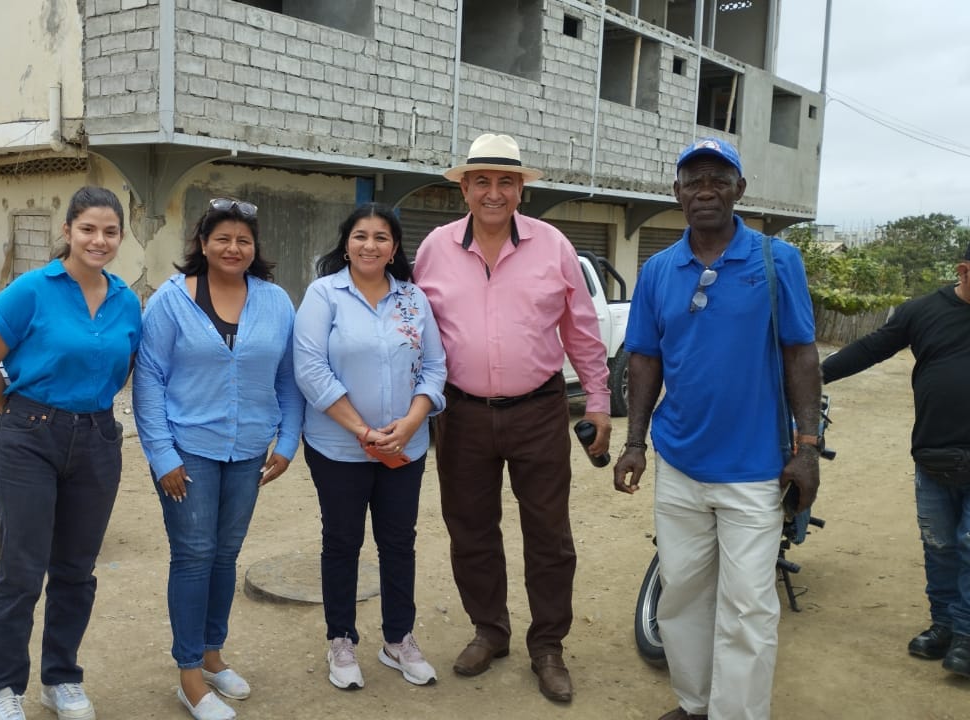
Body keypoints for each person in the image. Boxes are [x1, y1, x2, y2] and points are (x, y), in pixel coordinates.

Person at [611, 138, 821, 720]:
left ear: (739, 190)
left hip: (754, 469)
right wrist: (635, 443)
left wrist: (807, 447)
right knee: (682, 593)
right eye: (694, 181)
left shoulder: (777, 261)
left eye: (718, 180)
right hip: (680, 464)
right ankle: (695, 702)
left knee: (748, 604)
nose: (705, 191)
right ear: (677, 192)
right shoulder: (659, 270)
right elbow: (645, 358)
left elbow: (801, 354)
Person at [411, 133, 612, 703]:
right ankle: (490, 631)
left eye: (505, 181)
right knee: (470, 528)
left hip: (539, 411)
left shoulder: (554, 246)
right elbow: (413, 330)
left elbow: (581, 330)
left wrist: (598, 400)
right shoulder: (435, 249)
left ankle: (547, 646)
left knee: (549, 533)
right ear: (464, 189)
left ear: (522, 189)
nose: (493, 192)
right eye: (482, 181)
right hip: (462, 414)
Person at [0, 186, 142, 720]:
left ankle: (61, 678)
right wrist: (18, 414)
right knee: (21, 571)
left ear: (121, 238)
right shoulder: (31, 290)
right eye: (88, 229)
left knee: (76, 571)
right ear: (68, 231)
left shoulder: (126, 301)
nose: (99, 240)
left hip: (97, 440)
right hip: (29, 437)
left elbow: (124, 368)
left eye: (110, 231)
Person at [132, 197, 304, 720]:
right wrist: (162, 454)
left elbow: (289, 376)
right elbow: (148, 378)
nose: (233, 248)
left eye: (243, 240)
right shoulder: (170, 301)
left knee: (226, 555)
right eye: (223, 238)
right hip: (188, 450)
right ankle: (189, 676)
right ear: (203, 243)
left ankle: (211, 656)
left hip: (248, 450)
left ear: (255, 248)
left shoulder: (276, 301)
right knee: (193, 555)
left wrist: (288, 441)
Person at [293, 203, 447, 691]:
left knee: (399, 542)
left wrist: (413, 421)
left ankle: (398, 639)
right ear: (346, 243)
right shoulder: (324, 295)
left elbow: (435, 366)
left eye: (382, 237)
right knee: (342, 542)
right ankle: (340, 639)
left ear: (394, 248)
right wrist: (362, 430)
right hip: (338, 448)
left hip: (405, 446)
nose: (370, 245)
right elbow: (310, 369)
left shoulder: (413, 299)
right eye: (361, 235)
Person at [821, 243, 970, 679]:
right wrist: (809, 376)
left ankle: (966, 633)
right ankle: (944, 624)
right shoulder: (922, 311)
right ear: (964, 270)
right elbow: (870, 349)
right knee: (939, 545)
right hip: (934, 454)